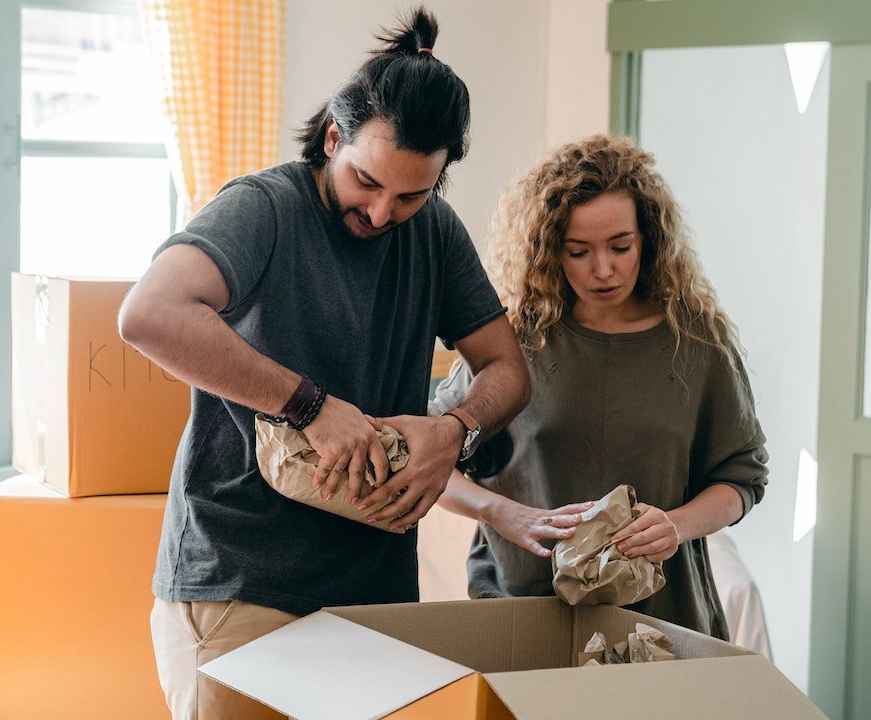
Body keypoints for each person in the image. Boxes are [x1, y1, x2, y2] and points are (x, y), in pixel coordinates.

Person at [117, 8, 529, 718]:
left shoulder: (432, 232)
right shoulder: (263, 209)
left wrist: (455, 429)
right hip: (240, 587)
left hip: (374, 598)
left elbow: (509, 372)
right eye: (366, 182)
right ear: (334, 137)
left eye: (410, 194)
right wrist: (309, 406)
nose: (379, 213)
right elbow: (149, 314)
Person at [432, 135, 768, 639]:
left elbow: (742, 479)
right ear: (551, 251)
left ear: (648, 239)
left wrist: (676, 525)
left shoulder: (698, 345)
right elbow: (432, 459)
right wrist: (502, 512)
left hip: (660, 618)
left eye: (620, 246)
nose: (604, 270)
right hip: (523, 612)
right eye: (579, 251)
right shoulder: (515, 344)